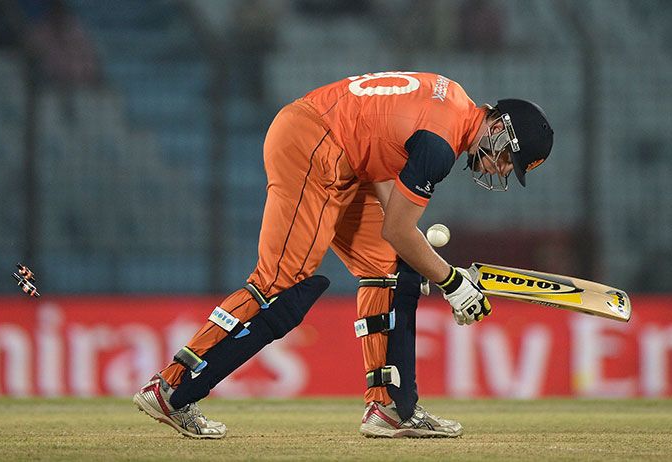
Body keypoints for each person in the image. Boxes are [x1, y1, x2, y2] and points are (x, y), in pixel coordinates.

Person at [133, 71, 554, 439]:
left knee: (389, 267)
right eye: (508, 160)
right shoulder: (440, 146)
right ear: (500, 129)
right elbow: (398, 228)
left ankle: (389, 408)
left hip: (338, 149)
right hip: (315, 144)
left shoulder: (452, 102)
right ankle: (171, 387)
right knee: (281, 282)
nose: (501, 170)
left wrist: (425, 259)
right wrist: (450, 281)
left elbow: (381, 161)